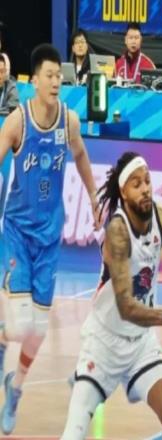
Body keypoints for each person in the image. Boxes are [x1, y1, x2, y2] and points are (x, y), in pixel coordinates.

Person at [61, 152, 162, 439]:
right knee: (74, 433)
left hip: (141, 344)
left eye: (147, 181)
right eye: (137, 184)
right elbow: (126, 307)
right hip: (104, 343)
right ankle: (84, 381)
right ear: (123, 192)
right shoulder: (117, 232)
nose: (146, 188)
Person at [0, 44, 100, 435]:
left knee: (38, 330)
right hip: (18, 232)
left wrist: (93, 197)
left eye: (60, 75)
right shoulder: (17, 121)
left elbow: (82, 157)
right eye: (50, 75)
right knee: (21, 323)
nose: (57, 81)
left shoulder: (69, 121)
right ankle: (4, 340)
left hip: (49, 235)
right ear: (35, 81)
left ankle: (15, 389)